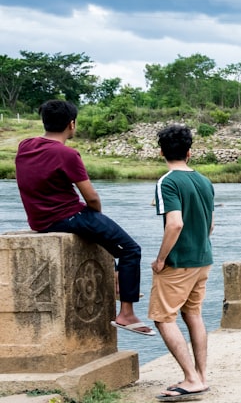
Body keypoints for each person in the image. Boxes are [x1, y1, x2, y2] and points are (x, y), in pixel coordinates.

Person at [15, 100, 153, 336]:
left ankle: (119, 283)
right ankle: (126, 313)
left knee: (108, 239)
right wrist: (97, 215)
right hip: (67, 216)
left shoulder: (25, 145)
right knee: (130, 249)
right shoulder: (67, 154)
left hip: (39, 220)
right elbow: (91, 196)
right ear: (72, 124)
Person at [150, 124, 215, 402]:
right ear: (190, 153)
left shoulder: (167, 182)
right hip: (203, 258)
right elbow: (210, 225)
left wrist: (161, 258)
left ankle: (190, 379)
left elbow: (174, 224)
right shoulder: (204, 181)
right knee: (193, 315)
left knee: (163, 318)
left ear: (161, 152)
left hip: (179, 262)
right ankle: (200, 375)